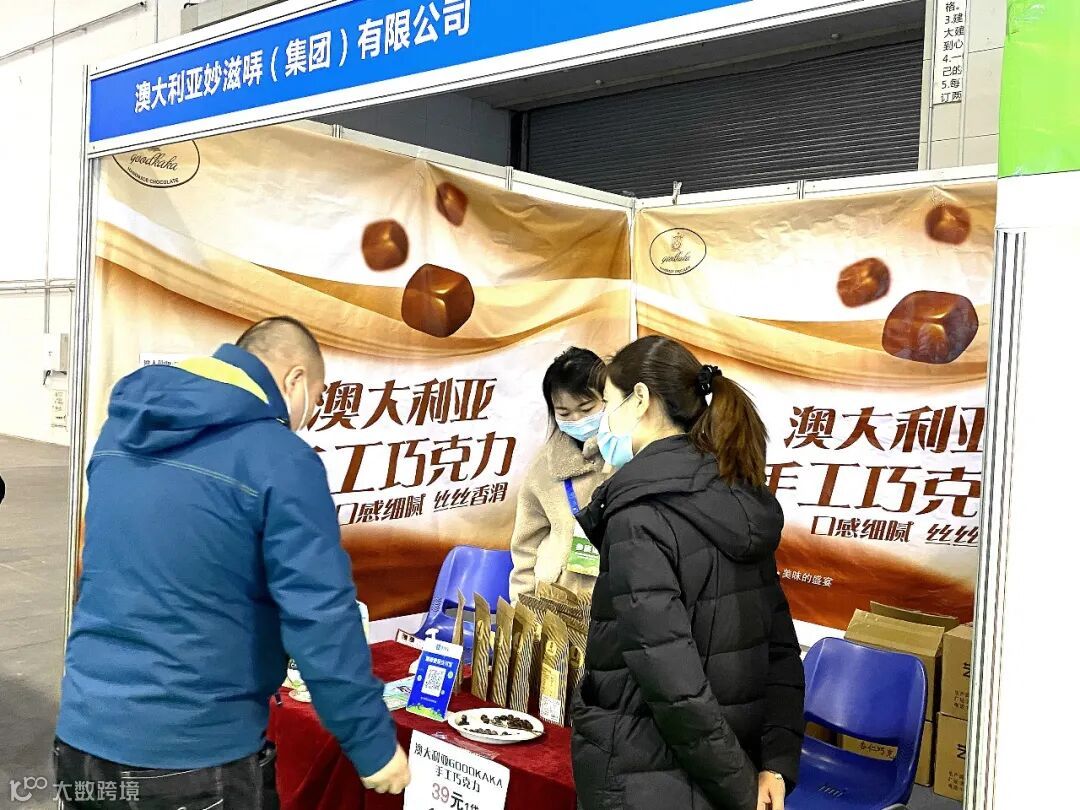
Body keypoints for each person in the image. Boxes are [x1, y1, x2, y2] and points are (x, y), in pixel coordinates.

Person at [55, 317, 410, 808]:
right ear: (295, 381)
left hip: (81, 736)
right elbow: (320, 615)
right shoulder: (281, 458)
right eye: (315, 400)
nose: (305, 418)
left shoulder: (122, 429)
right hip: (194, 754)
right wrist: (371, 744)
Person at [571, 335, 804, 810]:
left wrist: (741, 789)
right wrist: (774, 764)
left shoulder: (639, 515)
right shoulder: (738, 494)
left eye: (609, 404)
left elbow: (671, 682)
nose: (604, 423)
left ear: (640, 399)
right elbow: (781, 652)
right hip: (730, 764)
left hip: (648, 774)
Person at [509, 348, 610, 603]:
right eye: (564, 413)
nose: (577, 419)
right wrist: (522, 604)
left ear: (609, 399)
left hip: (613, 595)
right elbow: (525, 545)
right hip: (556, 597)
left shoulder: (628, 454)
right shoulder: (544, 466)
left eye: (586, 408)